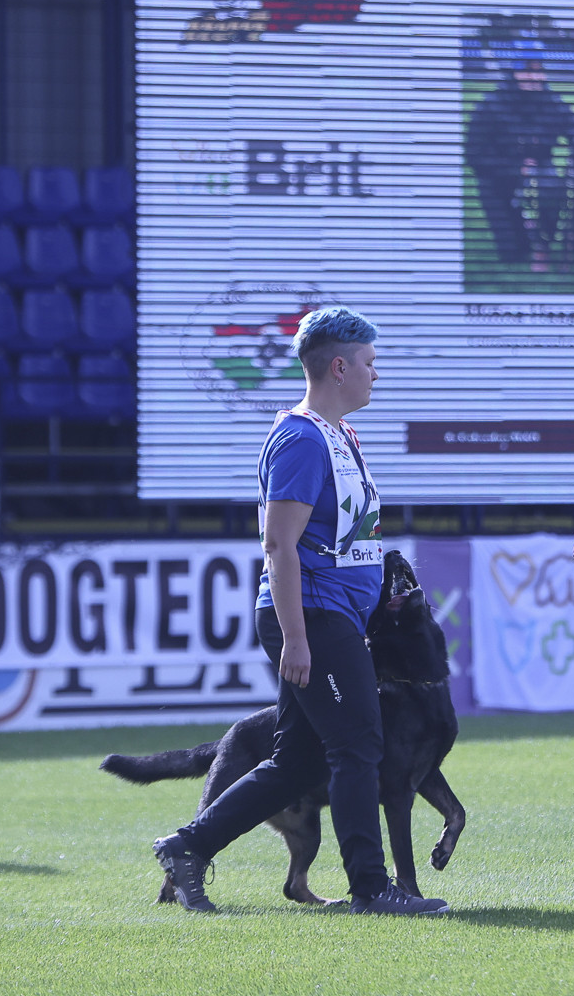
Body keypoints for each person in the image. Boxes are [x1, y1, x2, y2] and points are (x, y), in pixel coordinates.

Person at [151, 307, 449, 915]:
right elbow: (278, 546)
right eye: (369, 363)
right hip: (312, 615)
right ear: (339, 367)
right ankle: (371, 889)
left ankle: (187, 846)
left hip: (330, 616)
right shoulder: (301, 439)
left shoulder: (338, 435)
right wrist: (295, 636)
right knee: (360, 747)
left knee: (298, 760)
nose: (376, 374)